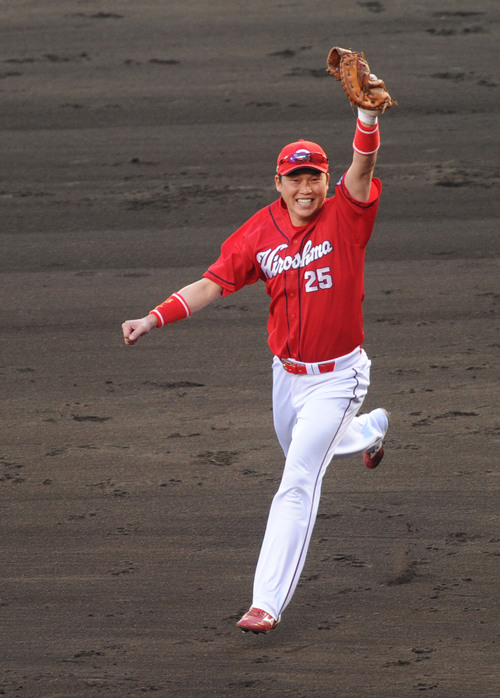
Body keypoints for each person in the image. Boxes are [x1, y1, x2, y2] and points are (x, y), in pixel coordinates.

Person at [122, 105, 390, 634]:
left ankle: (265, 602)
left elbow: (363, 166)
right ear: (279, 183)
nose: (306, 188)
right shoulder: (259, 232)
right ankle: (372, 429)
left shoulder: (347, 211)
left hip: (340, 378)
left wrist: (365, 114)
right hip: (286, 379)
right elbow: (210, 285)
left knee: (297, 480)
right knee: (308, 447)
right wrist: (153, 318)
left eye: (313, 176)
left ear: (325, 178)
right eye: (295, 179)